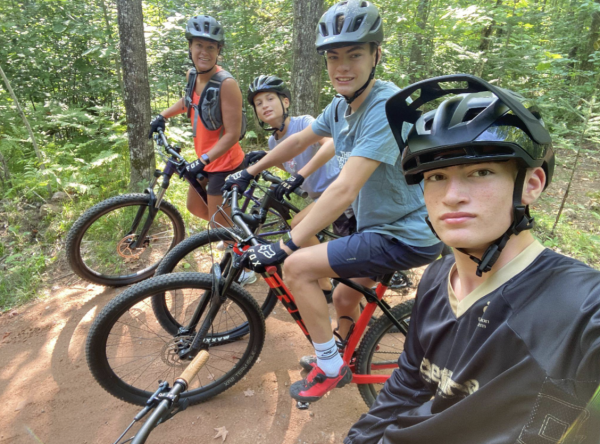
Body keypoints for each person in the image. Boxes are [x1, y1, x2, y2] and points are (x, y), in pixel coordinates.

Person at [345, 74, 600, 443]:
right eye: (436, 176)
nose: (452, 195)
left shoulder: (579, 304)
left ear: (531, 184)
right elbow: (408, 382)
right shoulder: (437, 277)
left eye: (480, 172)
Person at [222, 0, 443, 402]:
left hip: (405, 233)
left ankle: (328, 365)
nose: (342, 66)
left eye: (354, 54)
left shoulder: (386, 107)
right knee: (342, 295)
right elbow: (299, 140)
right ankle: (343, 351)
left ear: (376, 55)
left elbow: (344, 189)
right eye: (333, 56)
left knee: (298, 267)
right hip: (379, 225)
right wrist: (249, 170)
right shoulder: (342, 106)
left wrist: (286, 245)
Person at [148, 16, 245, 231]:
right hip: (206, 159)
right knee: (195, 207)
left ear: (218, 50)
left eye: (211, 47)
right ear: (190, 46)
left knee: (220, 226)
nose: (204, 52)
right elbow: (189, 101)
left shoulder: (227, 84)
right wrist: (162, 116)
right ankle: (232, 226)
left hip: (224, 163)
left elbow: (232, 134)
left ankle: (237, 249)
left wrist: (202, 160)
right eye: (199, 45)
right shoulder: (192, 75)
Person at [247, 74, 341, 295]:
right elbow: (290, 164)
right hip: (318, 195)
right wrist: (266, 158)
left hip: (338, 188)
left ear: (285, 102)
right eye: (259, 103)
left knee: (298, 224)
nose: (264, 106)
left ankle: (327, 284)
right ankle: (328, 276)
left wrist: (300, 175)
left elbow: (332, 144)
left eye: (270, 98)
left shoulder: (304, 123)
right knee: (300, 226)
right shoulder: (273, 141)